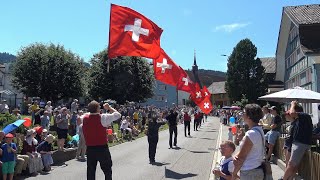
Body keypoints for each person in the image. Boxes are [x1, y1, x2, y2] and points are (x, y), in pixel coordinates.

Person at [82, 101, 121, 180]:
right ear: (97, 109)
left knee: (91, 170)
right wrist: (109, 108)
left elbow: (83, 117)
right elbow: (118, 115)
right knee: (107, 169)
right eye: (99, 107)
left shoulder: (84, 118)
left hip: (90, 148)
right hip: (102, 148)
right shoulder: (102, 117)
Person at [232, 104, 265, 180]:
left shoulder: (251, 133)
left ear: (249, 116)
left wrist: (234, 173)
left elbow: (241, 158)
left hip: (249, 172)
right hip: (256, 169)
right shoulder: (259, 130)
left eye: (244, 113)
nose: (242, 115)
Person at [282, 101, 313, 180]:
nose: (289, 112)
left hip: (300, 143)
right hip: (299, 143)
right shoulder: (299, 120)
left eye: (291, 109)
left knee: (291, 164)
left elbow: (292, 113)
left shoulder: (304, 115)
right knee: (294, 165)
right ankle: (289, 178)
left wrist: (293, 104)